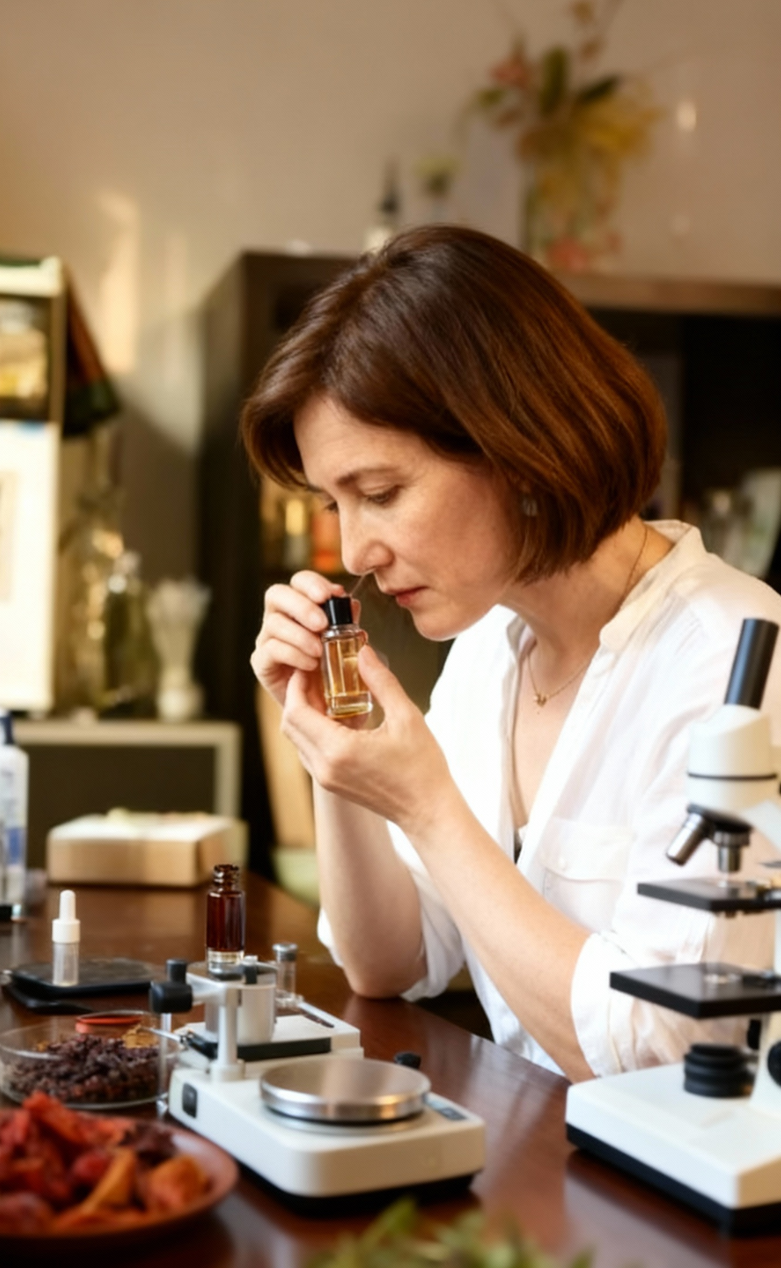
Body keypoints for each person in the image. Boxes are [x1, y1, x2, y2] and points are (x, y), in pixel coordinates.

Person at [243, 225, 781, 1081]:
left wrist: (427, 804)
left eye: (379, 493)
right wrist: (331, 745)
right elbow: (390, 962)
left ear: (519, 449)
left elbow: (660, 1048)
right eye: (335, 502)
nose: (354, 552)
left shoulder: (733, 665)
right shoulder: (495, 645)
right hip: (543, 1168)